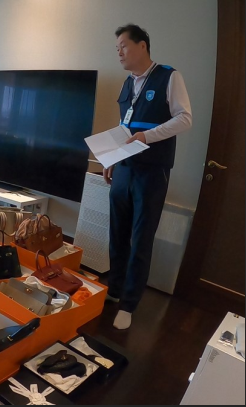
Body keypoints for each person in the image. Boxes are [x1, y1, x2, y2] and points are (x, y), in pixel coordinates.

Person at [104, 24, 192, 330]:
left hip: (152, 171)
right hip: (124, 169)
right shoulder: (128, 83)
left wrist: (147, 136)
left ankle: (129, 303)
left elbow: (185, 118)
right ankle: (114, 290)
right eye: (117, 48)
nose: (119, 52)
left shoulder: (169, 76)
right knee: (117, 234)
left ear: (142, 45)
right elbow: (124, 125)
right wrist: (112, 158)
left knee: (141, 238)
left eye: (123, 46)